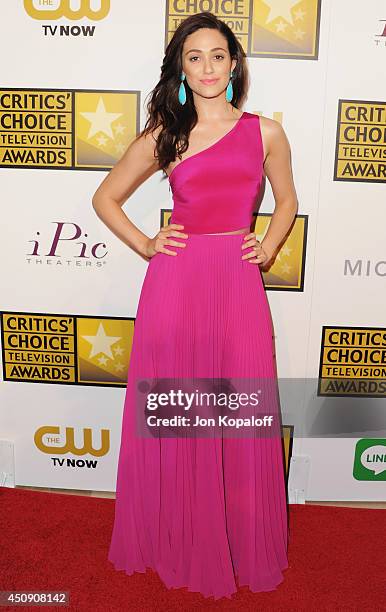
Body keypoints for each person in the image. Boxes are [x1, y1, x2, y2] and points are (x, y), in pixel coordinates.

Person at [92, 11, 298, 601]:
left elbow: (287, 199)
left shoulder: (266, 132)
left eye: (217, 55)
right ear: (181, 69)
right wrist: (146, 243)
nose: (207, 67)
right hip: (177, 285)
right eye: (194, 57)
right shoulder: (167, 134)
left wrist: (271, 241)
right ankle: (175, 536)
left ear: (235, 63)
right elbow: (106, 196)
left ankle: (233, 536)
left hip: (235, 284)